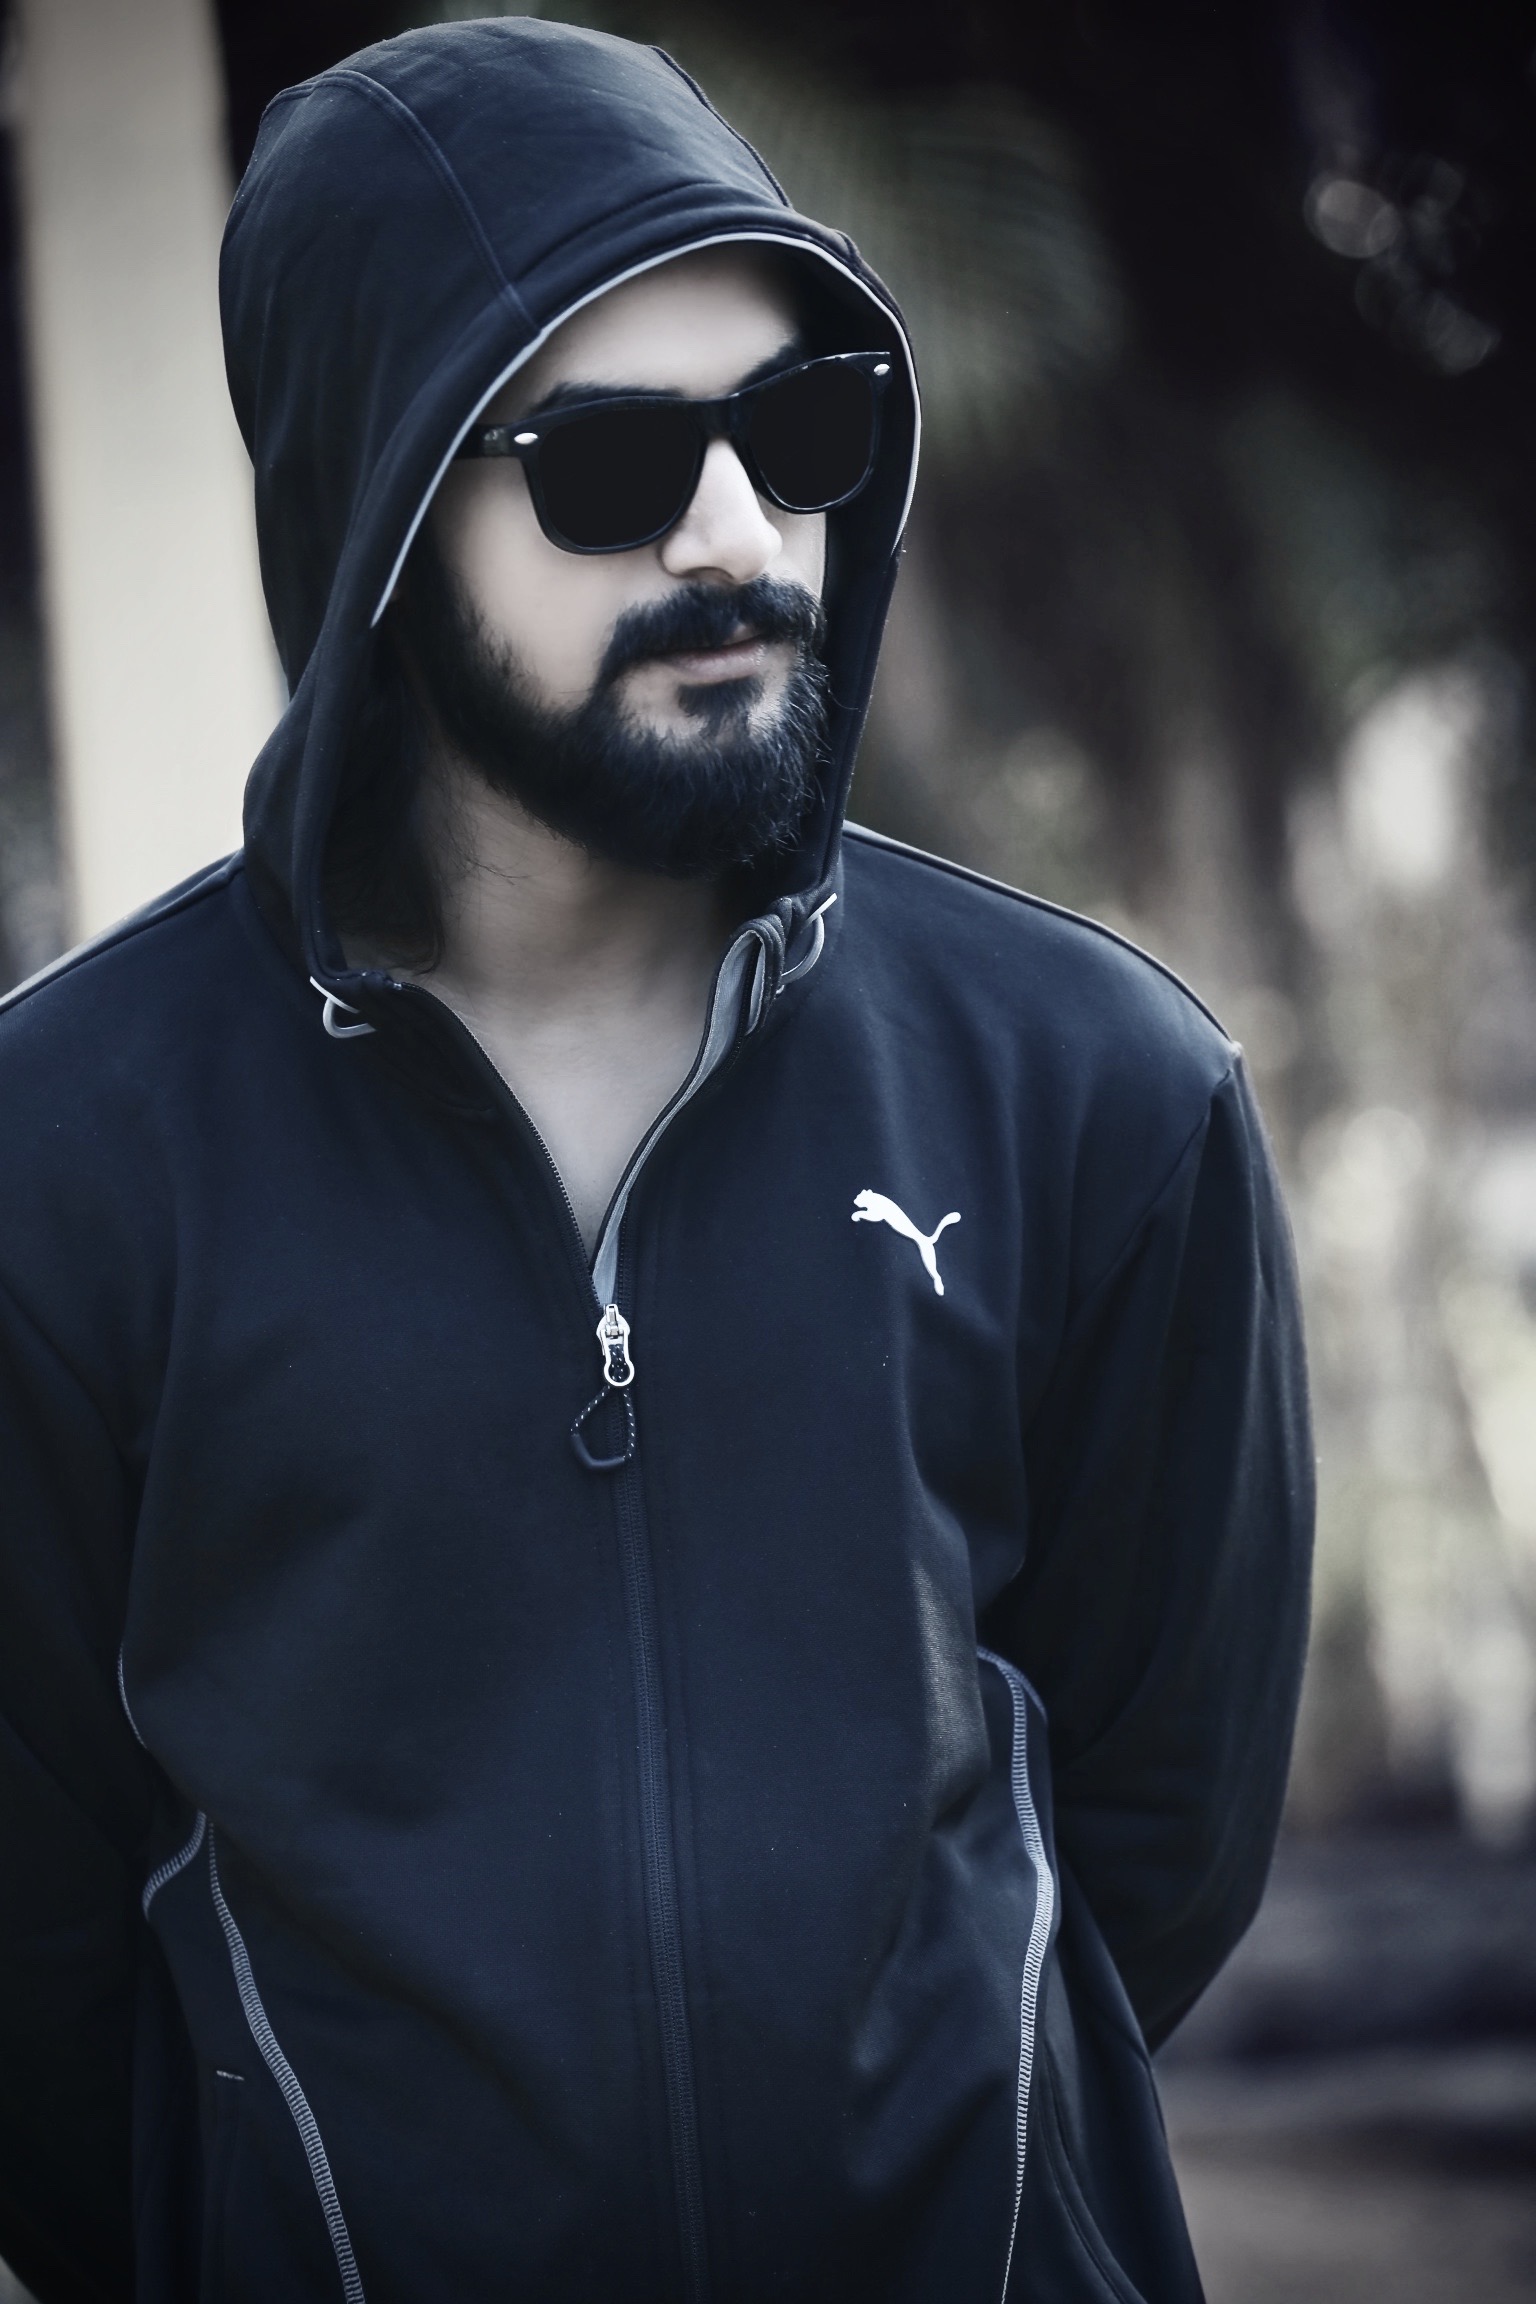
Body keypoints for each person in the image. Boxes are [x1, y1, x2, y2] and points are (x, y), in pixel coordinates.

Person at [0, 19, 1312, 2304]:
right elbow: (30, 1961)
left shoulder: (1101, 1093)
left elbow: (1155, 1837)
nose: (733, 534)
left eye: (796, 435)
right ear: (383, 511)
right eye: (608, 466)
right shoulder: (65, 1164)